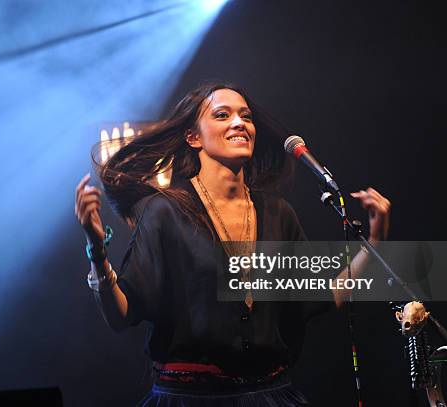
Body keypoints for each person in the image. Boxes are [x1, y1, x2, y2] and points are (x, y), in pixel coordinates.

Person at [74, 83, 391, 406]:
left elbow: (322, 294)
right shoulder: (163, 213)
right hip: (189, 399)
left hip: (269, 396)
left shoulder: (277, 213)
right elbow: (120, 315)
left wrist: (375, 243)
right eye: (222, 115)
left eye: (246, 117)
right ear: (193, 137)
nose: (239, 124)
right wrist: (97, 252)